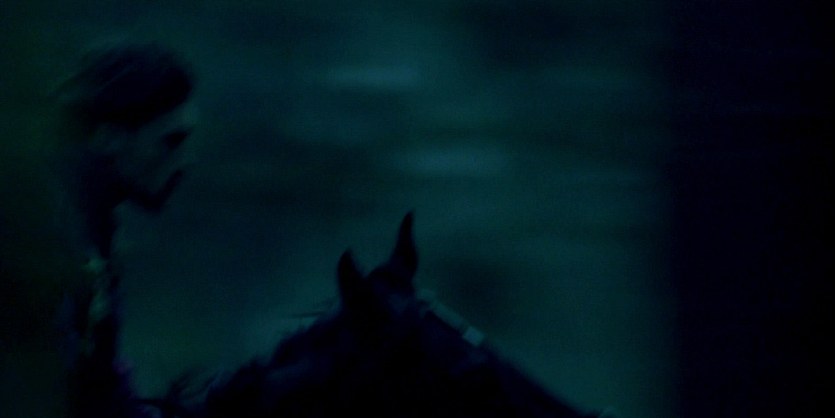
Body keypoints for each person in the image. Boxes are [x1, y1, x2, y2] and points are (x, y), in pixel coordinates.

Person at [53, 41, 197, 418]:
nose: (184, 162)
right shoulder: (49, 239)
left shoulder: (93, 233)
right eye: (171, 141)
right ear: (109, 136)